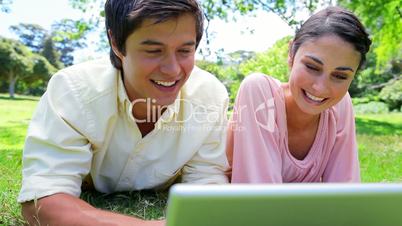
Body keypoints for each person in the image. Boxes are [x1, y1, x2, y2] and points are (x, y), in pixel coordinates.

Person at [19, 0, 229, 225]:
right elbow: (41, 202)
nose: (173, 69)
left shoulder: (209, 96)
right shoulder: (73, 91)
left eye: (185, 51)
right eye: (154, 51)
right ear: (116, 43)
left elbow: (207, 184)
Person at [227, 6, 371, 183]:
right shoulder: (259, 92)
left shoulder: (340, 105)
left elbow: (344, 194)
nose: (320, 88)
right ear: (291, 53)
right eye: (312, 67)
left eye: (340, 76)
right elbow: (259, 200)